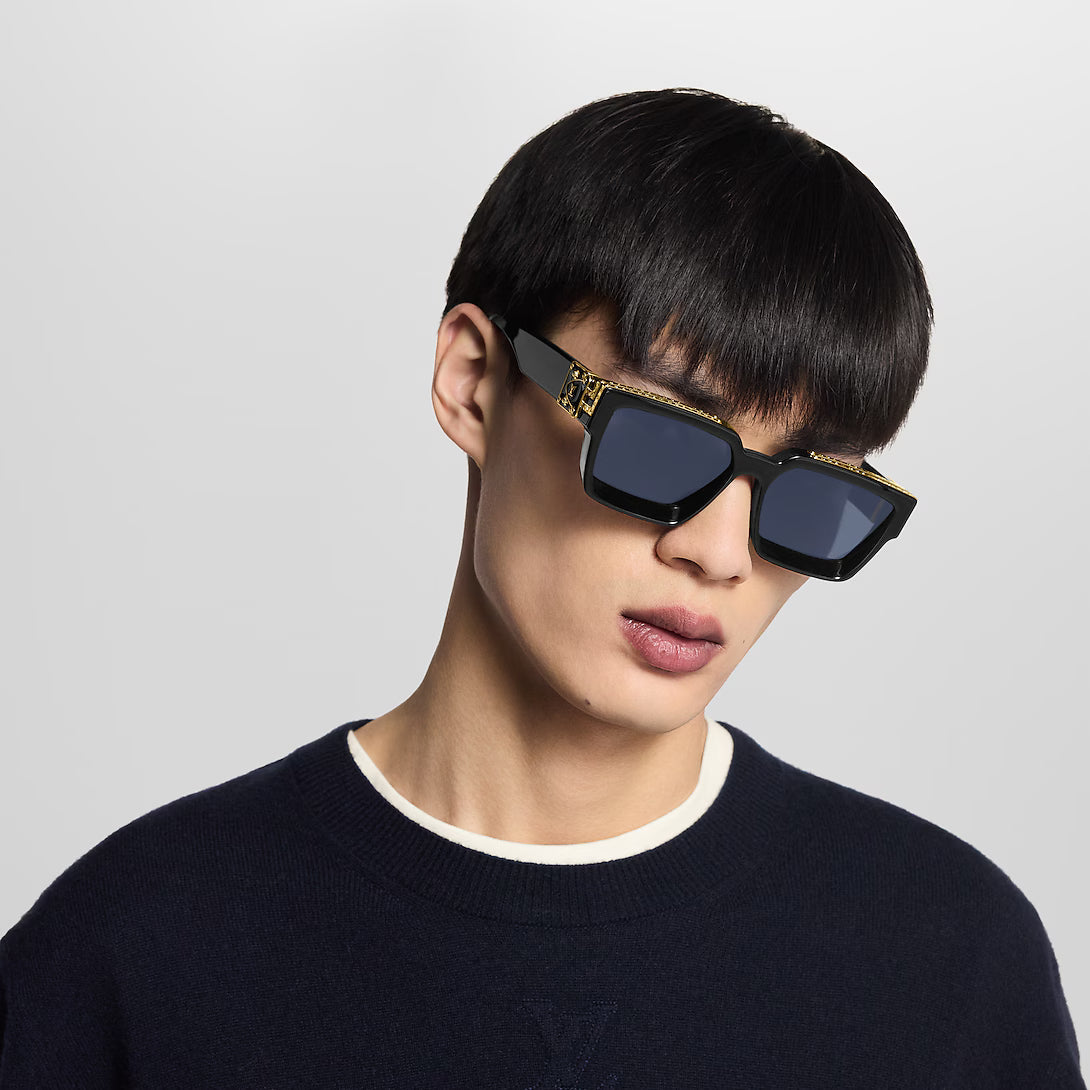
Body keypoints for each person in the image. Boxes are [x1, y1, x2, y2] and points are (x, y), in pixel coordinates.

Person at [0, 87, 1082, 1087]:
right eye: (659, 443)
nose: (719, 553)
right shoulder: (134, 952)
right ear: (474, 382)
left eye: (809, 497)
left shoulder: (950, 961)